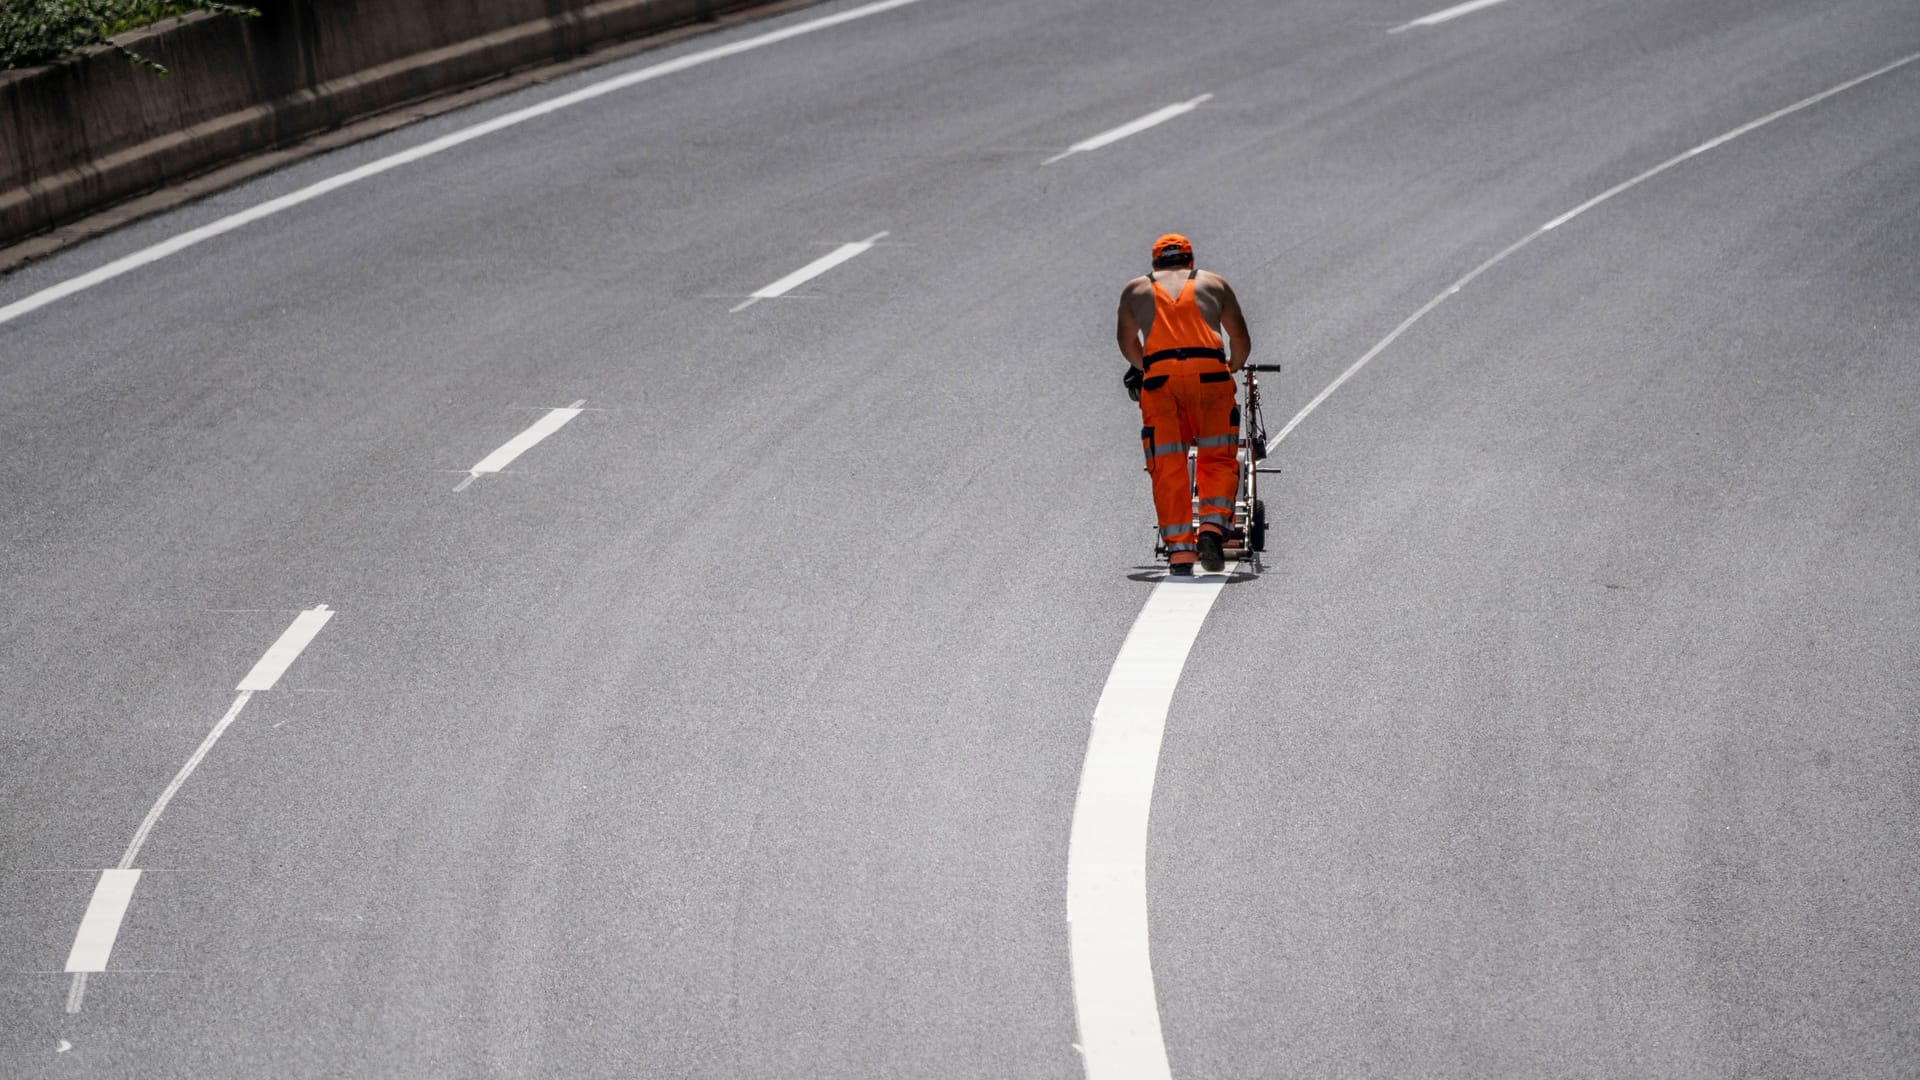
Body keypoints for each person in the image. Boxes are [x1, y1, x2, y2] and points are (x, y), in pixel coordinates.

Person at [1117, 233, 1252, 576]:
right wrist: (1232, 365)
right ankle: (1210, 529)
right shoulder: (1213, 283)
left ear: (1154, 263)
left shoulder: (1136, 289)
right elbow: (1239, 338)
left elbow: (1127, 341)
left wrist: (1146, 368)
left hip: (1161, 382)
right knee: (1217, 457)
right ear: (1190, 261)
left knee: (1168, 466)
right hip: (1209, 376)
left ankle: (1179, 554)